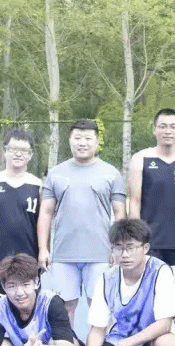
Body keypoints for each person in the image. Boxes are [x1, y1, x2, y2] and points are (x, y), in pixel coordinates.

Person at [38, 119, 126, 324]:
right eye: (77, 138)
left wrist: (118, 248)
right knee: (65, 307)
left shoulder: (111, 173)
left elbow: (120, 214)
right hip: (63, 254)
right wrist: (43, 248)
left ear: (96, 141)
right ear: (70, 140)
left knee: (99, 306)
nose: (82, 143)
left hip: (100, 253)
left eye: (87, 138)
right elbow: (46, 213)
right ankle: (67, 344)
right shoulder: (56, 173)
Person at [127, 108, 175, 288]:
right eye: (163, 126)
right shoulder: (140, 159)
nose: (168, 131)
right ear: (154, 129)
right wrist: (136, 240)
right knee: (149, 290)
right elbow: (134, 203)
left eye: (173, 127)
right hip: (150, 243)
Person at [0, 129, 42, 295]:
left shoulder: (38, 186)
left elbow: (43, 225)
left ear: (31, 155)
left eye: (24, 150)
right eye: (13, 149)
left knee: (27, 307)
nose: (18, 154)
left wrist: (44, 251)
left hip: (29, 260)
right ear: (4, 151)